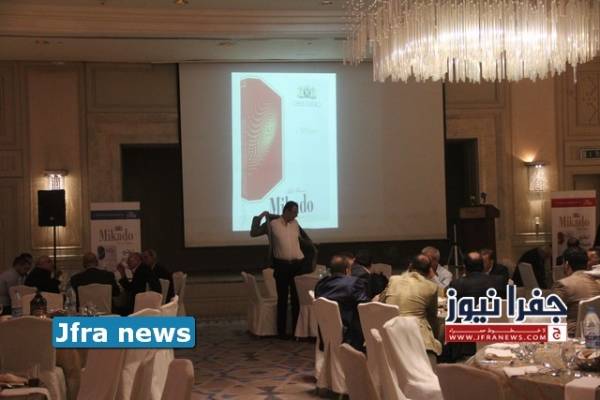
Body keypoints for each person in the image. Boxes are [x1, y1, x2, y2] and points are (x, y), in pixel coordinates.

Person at [250, 201, 317, 338]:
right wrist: (260, 217)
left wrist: (312, 250)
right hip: (281, 266)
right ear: (286, 211)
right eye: (294, 212)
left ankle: (296, 331)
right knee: (282, 298)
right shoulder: (272, 224)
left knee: (296, 299)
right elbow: (254, 232)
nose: (296, 215)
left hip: (297, 265)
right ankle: (281, 332)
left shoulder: (295, 224)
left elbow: (305, 242)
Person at [380, 254, 441, 365]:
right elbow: (432, 317)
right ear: (429, 271)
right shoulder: (431, 287)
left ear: (410, 266)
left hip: (390, 333)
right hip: (417, 338)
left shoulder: (393, 280)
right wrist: (435, 338)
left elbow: (381, 302)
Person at [445, 251, 503, 360]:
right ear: (483, 266)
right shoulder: (498, 282)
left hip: (466, 342)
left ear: (465, 267)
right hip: (493, 336)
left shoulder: (457, 284)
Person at [314, 257, 369, 351]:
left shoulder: (320, 284)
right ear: (347, 270)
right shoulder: (354, 283)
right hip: (349, 338)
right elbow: (364, 307)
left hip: (325, 335)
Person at [553, 248, 600, 337]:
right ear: (587, 264)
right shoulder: (597, 283)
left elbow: (551, 313)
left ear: (566, 264)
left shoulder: (563, 284)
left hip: (571, 336)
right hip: (595, 335)